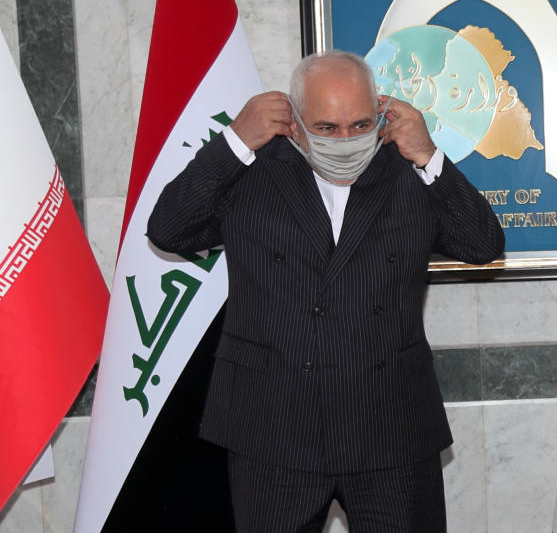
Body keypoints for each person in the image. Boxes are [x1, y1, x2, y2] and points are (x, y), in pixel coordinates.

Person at [147, 50, 504, 532]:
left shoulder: (406, 171)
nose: (346, 140)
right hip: (273, 428)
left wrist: (428, 154)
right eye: (327, 128)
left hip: (388, 429)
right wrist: (233, 141)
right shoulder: (252, 169)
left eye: (360, 125)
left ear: (381, 114)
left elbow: (482, 243)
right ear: (293, 122)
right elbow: (169, 230)